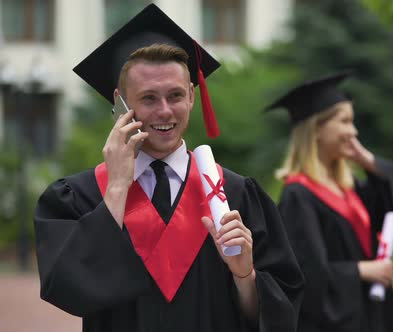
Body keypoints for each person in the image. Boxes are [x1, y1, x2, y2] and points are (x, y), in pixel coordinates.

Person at [33, 4, 303, 332]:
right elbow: (66, 290)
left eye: (175, 95)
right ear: (120, 102)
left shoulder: (235, 195)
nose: (165, 111)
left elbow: (279, 315)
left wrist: (245, 276)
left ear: (191, 95)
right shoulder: (81, 195)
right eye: (148, 98)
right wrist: (117, 188)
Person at [266, 72, 393, 332]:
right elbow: (305, 275)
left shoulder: (348, 187)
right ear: (317, 128)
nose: (354, 131)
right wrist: (361, 271)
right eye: (345, 122)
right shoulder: (299, 195)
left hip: (372, 314)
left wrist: (368, 161)